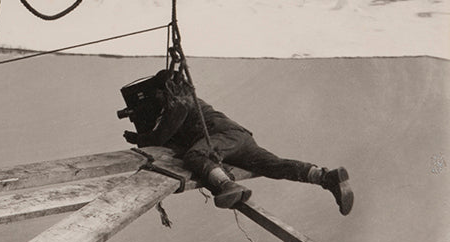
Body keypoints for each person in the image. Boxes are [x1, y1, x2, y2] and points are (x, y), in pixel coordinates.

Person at [122, 69, 353, 215]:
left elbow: (161, 137)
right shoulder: (187, 101)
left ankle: (226, 186)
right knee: (272, 165)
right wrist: (142, 137)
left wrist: (138, 137)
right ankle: (325, 177)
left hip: (223, 138)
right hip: (239, 137)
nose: (158, 99)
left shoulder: (180, 103)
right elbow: (168, 143)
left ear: (166, 91)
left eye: (159, 95)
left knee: (197, 156)